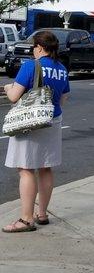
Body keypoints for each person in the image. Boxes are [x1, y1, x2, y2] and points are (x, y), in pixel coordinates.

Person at [2, 31, 70, 233]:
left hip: (30, 123)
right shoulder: (61, 68)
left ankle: (26, 219)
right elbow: (63, 98)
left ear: (40, 47)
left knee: (25, 168)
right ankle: (42, 214)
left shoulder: (31, 66)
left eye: (34, 47)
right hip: (52, 120)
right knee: (45, 167)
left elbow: (14, 96)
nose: (33, 50)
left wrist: (8, 88)